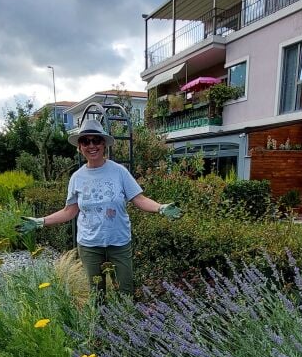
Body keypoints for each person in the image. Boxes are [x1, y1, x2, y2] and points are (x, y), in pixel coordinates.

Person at [18, 118, 181, 296]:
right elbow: (69, 211)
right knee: (97, 294)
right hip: (89, 245)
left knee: (125, 292)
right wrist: (40, 221)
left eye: (96, 140)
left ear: (103, 144)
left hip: (119, 242)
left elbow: (139, 199)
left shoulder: (119, 171)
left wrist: (161, 207)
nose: (91, 145)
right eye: (85, 141)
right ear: (79, 147)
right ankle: (99, 324)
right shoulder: (77, 178)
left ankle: (124, 323)